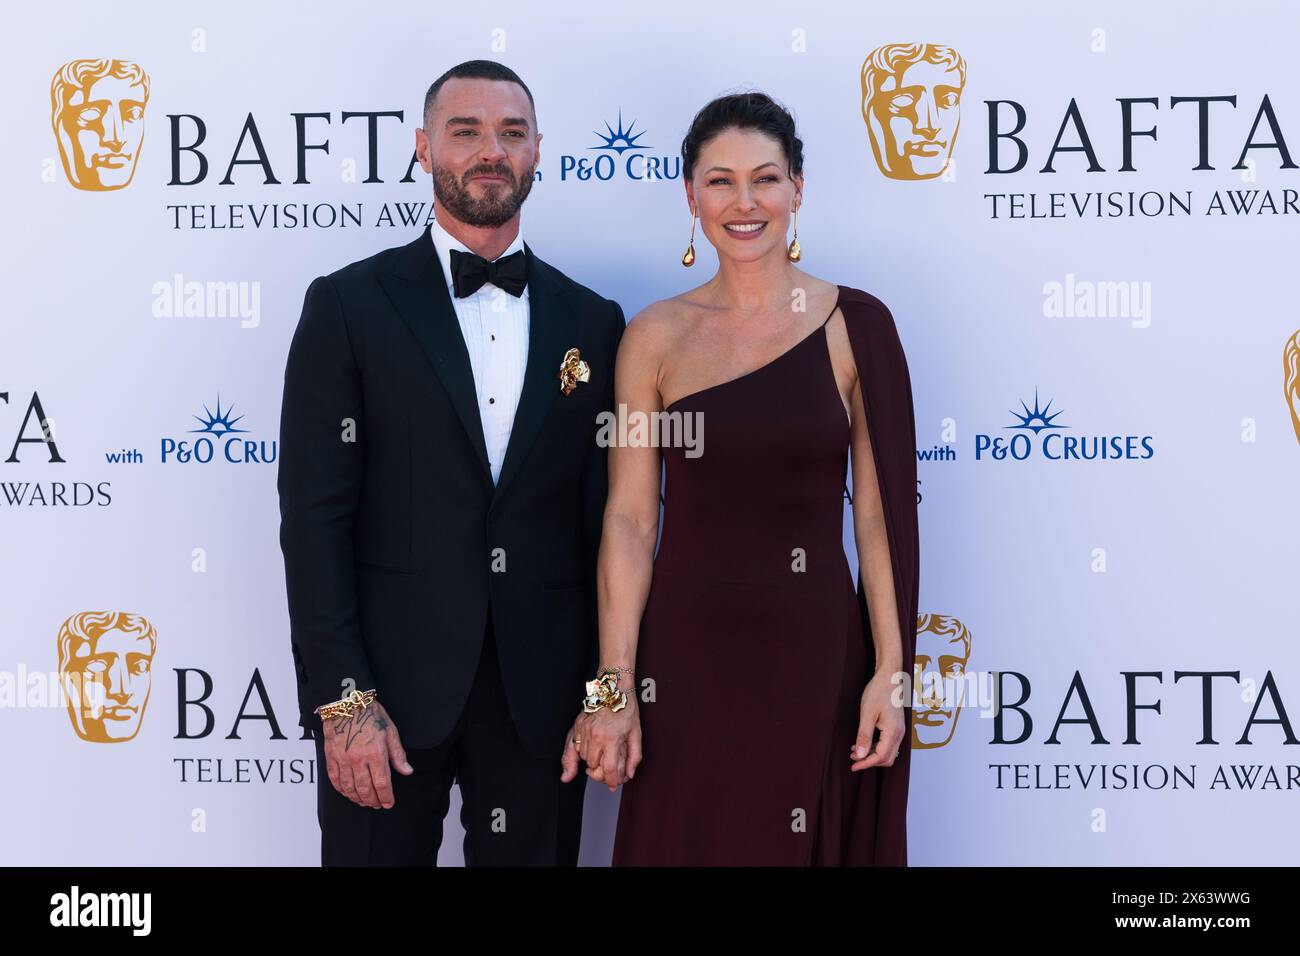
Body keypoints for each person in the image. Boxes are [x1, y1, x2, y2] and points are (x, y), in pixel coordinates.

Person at [278, 59, 625, 866]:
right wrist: (345, 701)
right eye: (464, 131)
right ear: (423, 147)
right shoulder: (348, 305)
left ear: (539, 150)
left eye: (510, 133)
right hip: (385, 696)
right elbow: (315, 522)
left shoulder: (596, 320)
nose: (489, 150)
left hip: (542, 703)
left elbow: (615, 526)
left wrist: (605, 694)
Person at [561, 92, 920, 865]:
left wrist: (891, 671)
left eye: (765, 178)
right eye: (720, 181)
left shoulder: (857, 325)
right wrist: (612, 691)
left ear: (798, 188)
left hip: (816, 658)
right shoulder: (652, 336)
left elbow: (879, 519)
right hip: (682, 666)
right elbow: (628, 522)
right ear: (691, 197)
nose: (745, 202)